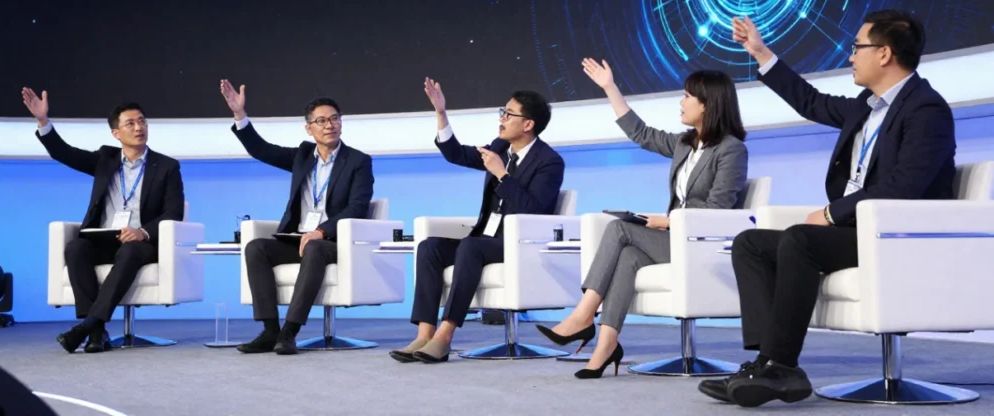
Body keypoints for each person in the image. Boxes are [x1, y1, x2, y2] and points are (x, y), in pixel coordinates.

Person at [698, 10, 956, 407]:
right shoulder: (866, 107)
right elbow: (810, 102)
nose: (851, 56)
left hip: (894, 236)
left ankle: (782, 366)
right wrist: (761, 52)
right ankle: (766, 361)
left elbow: (905, 185)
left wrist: (835, 212)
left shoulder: (926, 110)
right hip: (858, 231)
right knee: (751, 243)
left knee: (801, 239)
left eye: (858, 47)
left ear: (884, 54)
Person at [536, 59, 749, 378]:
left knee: (620, 229)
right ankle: (606, 345)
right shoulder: (684, 144)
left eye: (687, 96)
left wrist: (669, 222)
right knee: (630, 256)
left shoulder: (732, 150)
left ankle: (583, 316)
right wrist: (610, 87)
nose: (681, 102)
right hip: (676, 240)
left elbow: (717, 211)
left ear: (708, 104)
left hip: (699, 245)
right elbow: (641, 133)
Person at [389, 79, 565, 364]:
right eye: (502, 112)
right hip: (485, 239)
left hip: (518, 243)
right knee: (430, 247)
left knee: (471, 247)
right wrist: (441, 113)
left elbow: (534, 209)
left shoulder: (549, 162)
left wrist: (502, 175)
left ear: (528, 124)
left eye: (509, 114)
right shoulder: (500, 147)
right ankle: (425, 334)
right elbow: (456, 154)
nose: (501, 119)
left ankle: (445, 337)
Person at [21, 88, 185, 354]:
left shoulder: (167, 166)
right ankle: (96, 331)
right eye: (130, 123)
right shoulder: (105, 159)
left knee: (131, 249)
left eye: (142, 121)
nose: (138, 127)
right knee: (76, 248)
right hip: (104, 238)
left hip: (141, 242)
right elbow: (64, 153)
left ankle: (88, 327)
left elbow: (174, 212)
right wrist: (43, 122)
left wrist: (142, 232)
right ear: (116, 134)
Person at [220, 80, 374, 355]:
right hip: (297, 238)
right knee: (256, 247)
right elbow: (262, 150)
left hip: (334, 242)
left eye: (335, 119)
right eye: (322, 121)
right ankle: (270, 331)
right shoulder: (303, 155)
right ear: (309, 128)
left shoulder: (358, 161)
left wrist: (322, 231)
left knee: (314, 246)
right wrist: (240, 116)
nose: (330, 125)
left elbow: (357, 207)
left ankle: (289, 331)